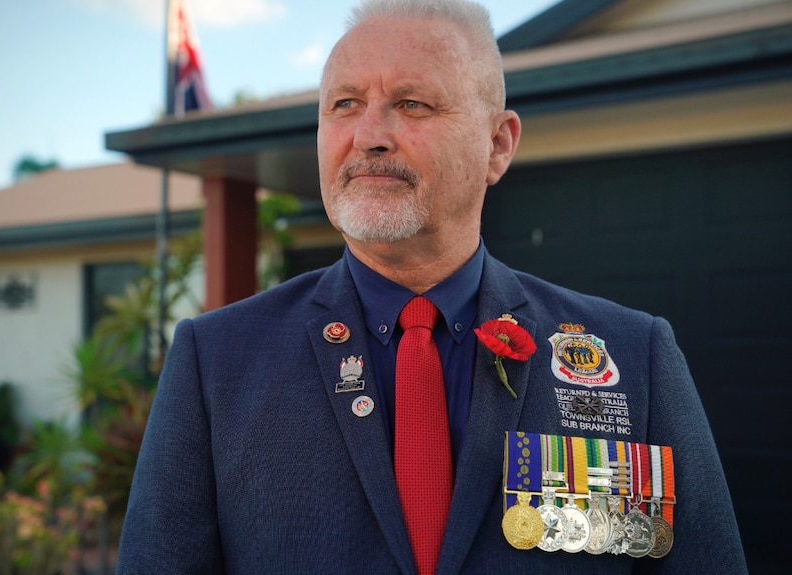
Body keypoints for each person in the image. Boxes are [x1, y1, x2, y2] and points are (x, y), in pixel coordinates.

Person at [116, 0, 747, 573]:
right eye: (344, 104)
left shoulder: (633, 357)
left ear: (498, 145)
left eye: (412, 104)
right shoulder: (217, 361)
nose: (369, 135)